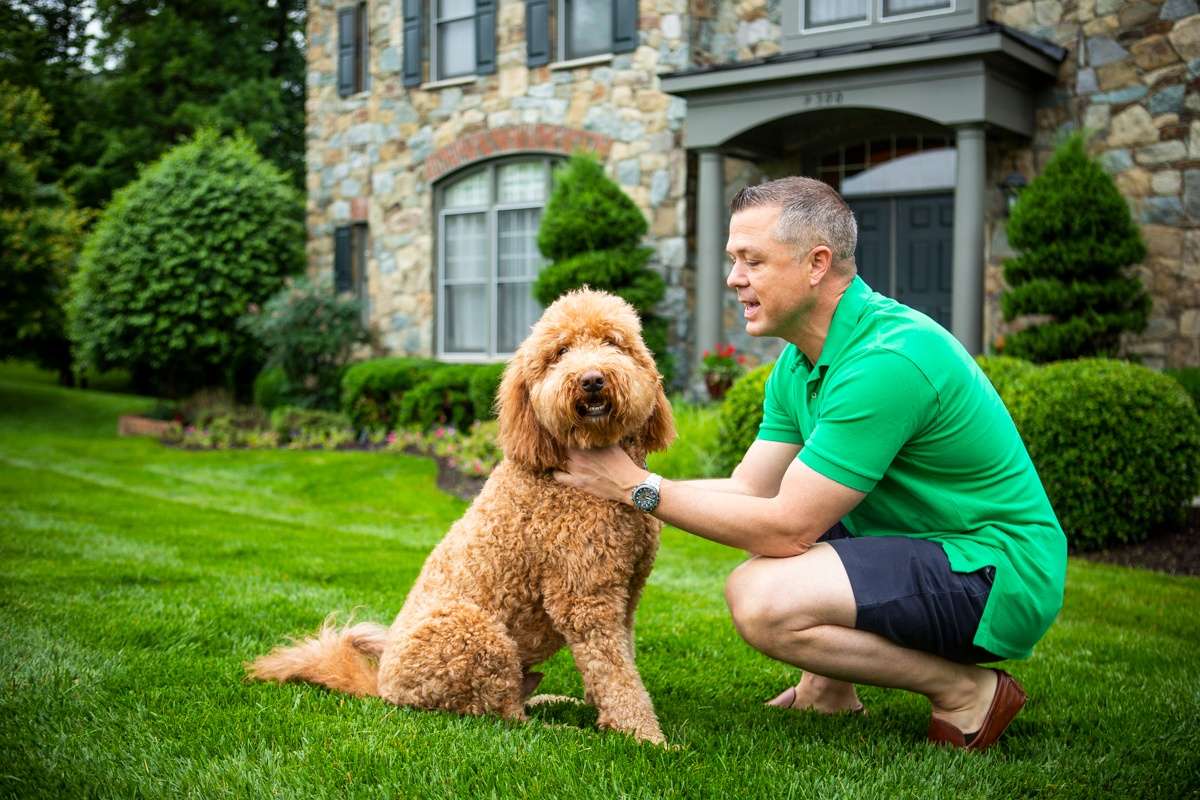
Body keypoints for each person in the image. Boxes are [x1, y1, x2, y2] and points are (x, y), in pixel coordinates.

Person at [552, 176, 1066, 751]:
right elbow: (750, 490)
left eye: (752, 261)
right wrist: (603, 483)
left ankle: (966, 690)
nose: (733, 279)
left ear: (817, 263)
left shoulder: (886, 361)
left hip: (996, 573)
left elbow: (786, 528)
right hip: (929, 545)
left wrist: (637, 488)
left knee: (762, 599)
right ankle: (828, 692)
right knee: (781, 526)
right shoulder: (800, 364)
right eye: (733, 260)